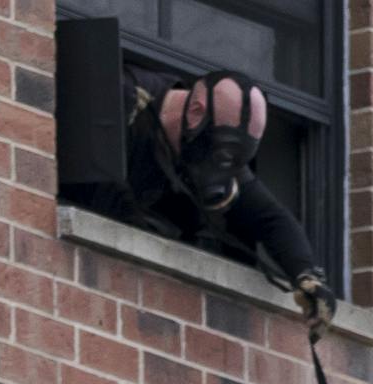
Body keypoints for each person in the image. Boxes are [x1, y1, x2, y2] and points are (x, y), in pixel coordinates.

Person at [71, 64, 337, 342]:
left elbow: (270, 218)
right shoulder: (120, 100)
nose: (215, 172)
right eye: (215, 154)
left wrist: (307, 276)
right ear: (196, 113)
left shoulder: (213, 143)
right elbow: (100, 189)